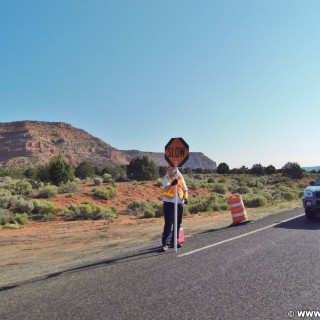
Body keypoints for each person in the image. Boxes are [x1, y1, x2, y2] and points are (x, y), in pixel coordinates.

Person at [162, 164, 188, 252]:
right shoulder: (166, 178)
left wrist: (186, 198)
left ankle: (174, 241)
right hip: (169, 203)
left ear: (175, 169)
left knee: (177, 223)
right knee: (168, 223)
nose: (170, 170)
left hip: (179, 203)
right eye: (168, 168)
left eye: (171, 168)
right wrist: (172, 184)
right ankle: (165, 244)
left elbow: (185, 190)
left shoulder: (180, 178)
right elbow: (166, 188)